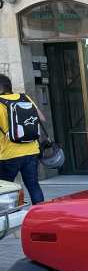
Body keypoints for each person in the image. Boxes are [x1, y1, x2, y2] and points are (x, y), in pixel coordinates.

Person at [0, 74, 45, 205]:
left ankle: (8, 214)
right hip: (31, 151)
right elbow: (41, 118)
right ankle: (41, 214)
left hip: (8, 153)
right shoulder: (25, 97)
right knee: (33, 186)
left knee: (5, 188)